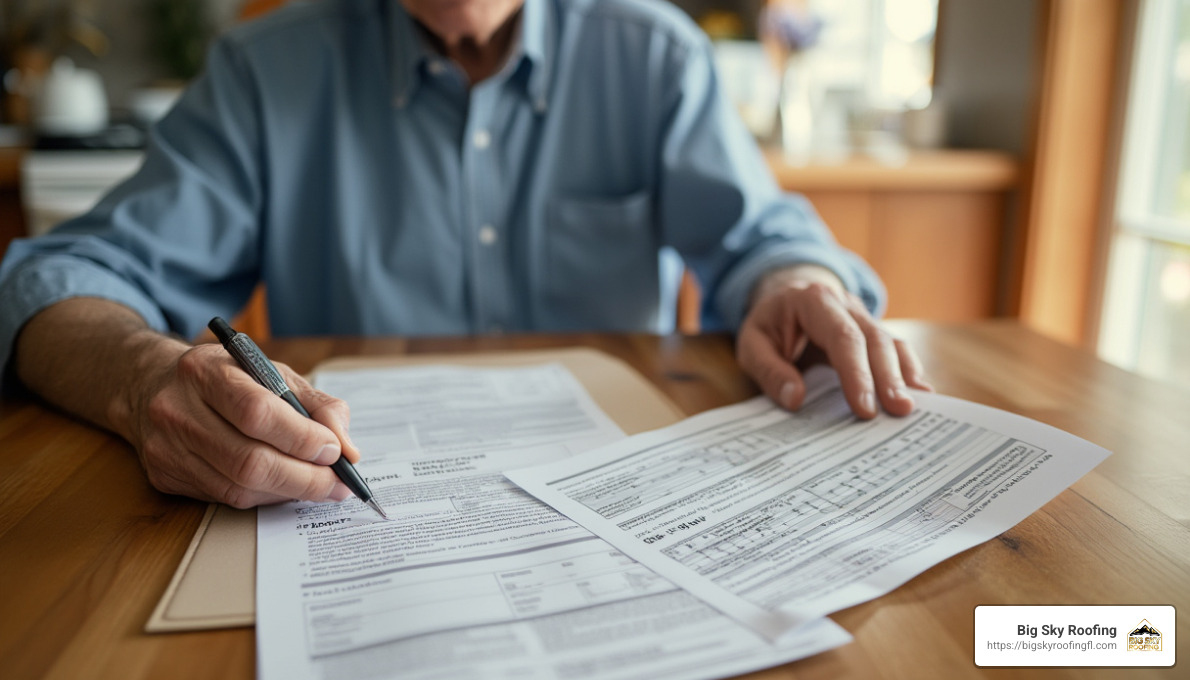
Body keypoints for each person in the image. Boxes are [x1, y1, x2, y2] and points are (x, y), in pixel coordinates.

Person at [0, 0, 930, 509]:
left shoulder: (655, 53)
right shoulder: (263, 70)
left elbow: (763, 236)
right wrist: (141, 376)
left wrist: (795, 280)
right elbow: (48, 286)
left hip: (630, 509)